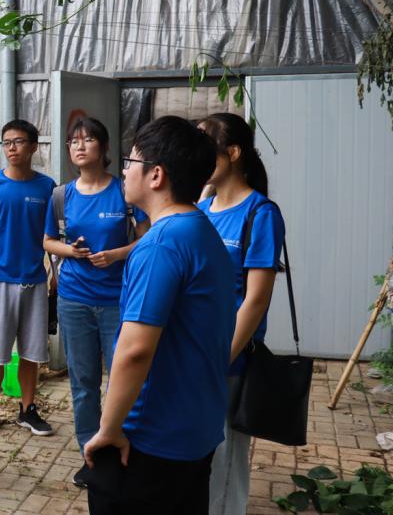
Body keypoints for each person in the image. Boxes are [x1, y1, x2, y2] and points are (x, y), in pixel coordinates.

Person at [81, 116, 236, 515]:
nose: (124, 172)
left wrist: (109, 430)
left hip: (149, 438)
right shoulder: (203, 231)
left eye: (130, 162)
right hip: (195, 431)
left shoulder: (161, 244)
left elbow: (135, 351)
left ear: (155, 175)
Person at [42, 117, 146, 458]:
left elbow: (148, 237)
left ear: (103, 147)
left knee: (125, 378)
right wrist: (72, 251)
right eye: (74, 142)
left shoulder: (124, 192)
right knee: (83, 383)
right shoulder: (61, 195)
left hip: (118, 301)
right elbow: (48, 241)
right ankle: (91, 451)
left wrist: (118, 254)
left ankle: (126, 442)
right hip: (74, 300)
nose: (80, 146)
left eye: (87, 140)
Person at [198, 113, 286, 515]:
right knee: (201, 448)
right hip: (194, 351)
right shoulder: (202, 207)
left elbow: (255, 300)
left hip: (228, 357)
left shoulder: (261, 213)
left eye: (204, 147)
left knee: (226, 454)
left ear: (231, 153)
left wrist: (222, 358)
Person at [0, 119, 57, 438]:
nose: (11, 147)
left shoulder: (47, 187)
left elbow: (52, 233)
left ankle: (27, 409)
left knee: (32, 351)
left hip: (34, 280)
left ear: (33, 146)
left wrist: (55, 272)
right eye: (6, 142)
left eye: (19, 141)